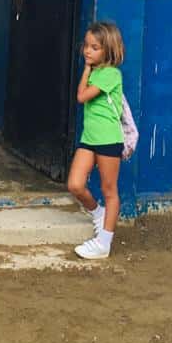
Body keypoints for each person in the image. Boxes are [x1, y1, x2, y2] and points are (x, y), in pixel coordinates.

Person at [68, 21, 125, 260]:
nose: (88, 51)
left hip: (108, 140)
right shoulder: (96, 72)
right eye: (86, 46)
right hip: (89, 138)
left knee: (109, 190)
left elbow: (81, 97)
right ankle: (97, 213)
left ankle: (104, 243)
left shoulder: (110, 74)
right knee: (75, 185)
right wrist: (89, 69)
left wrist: (86, 70)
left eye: (95, 47)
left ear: (108, 50)